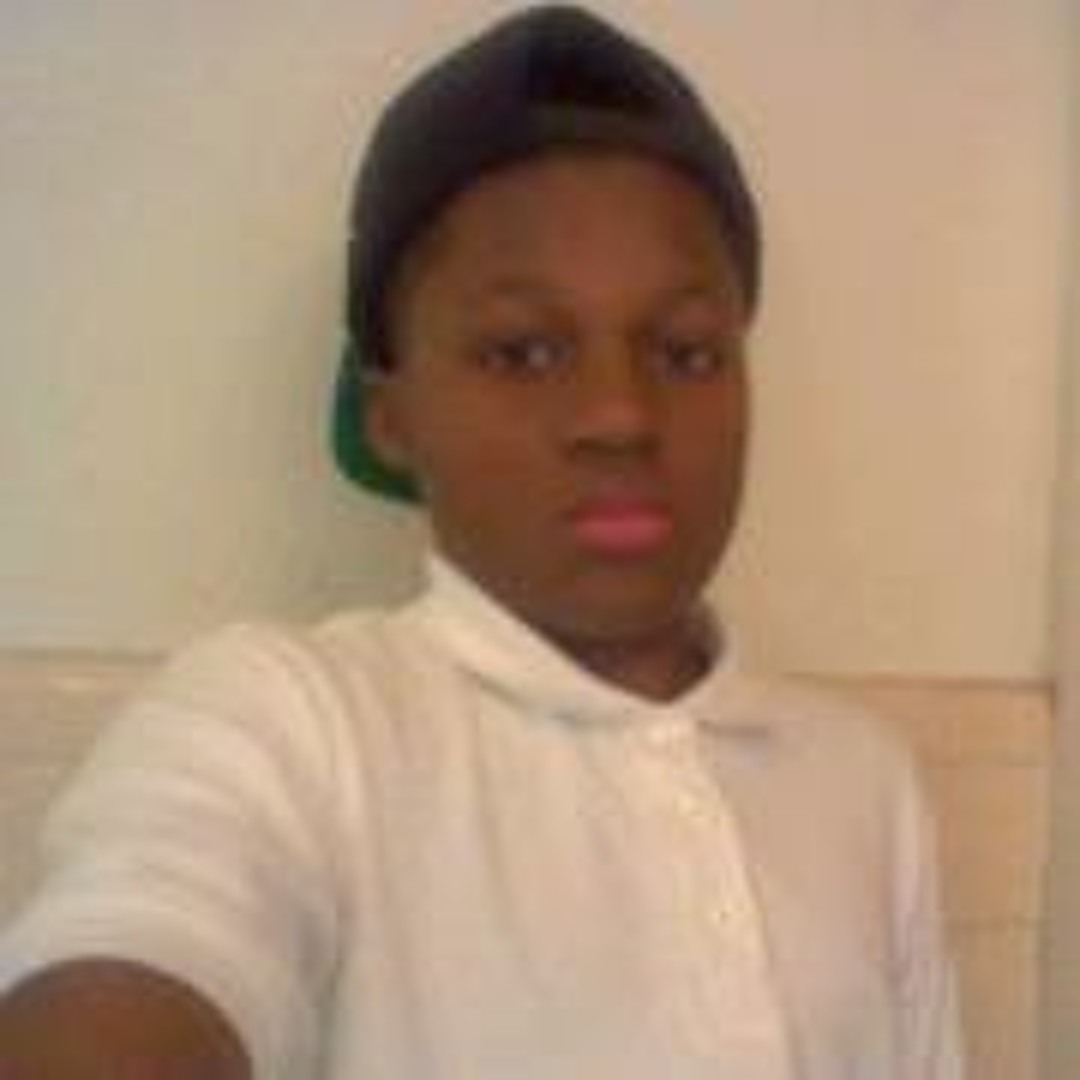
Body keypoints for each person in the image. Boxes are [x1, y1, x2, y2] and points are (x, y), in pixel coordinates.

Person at [0, 5, 963, 1078]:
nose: (621, 416)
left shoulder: (864, 784)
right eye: (523, 351)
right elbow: (148, 933)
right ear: (391, 415)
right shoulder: (288, 726)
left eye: (686, 351)